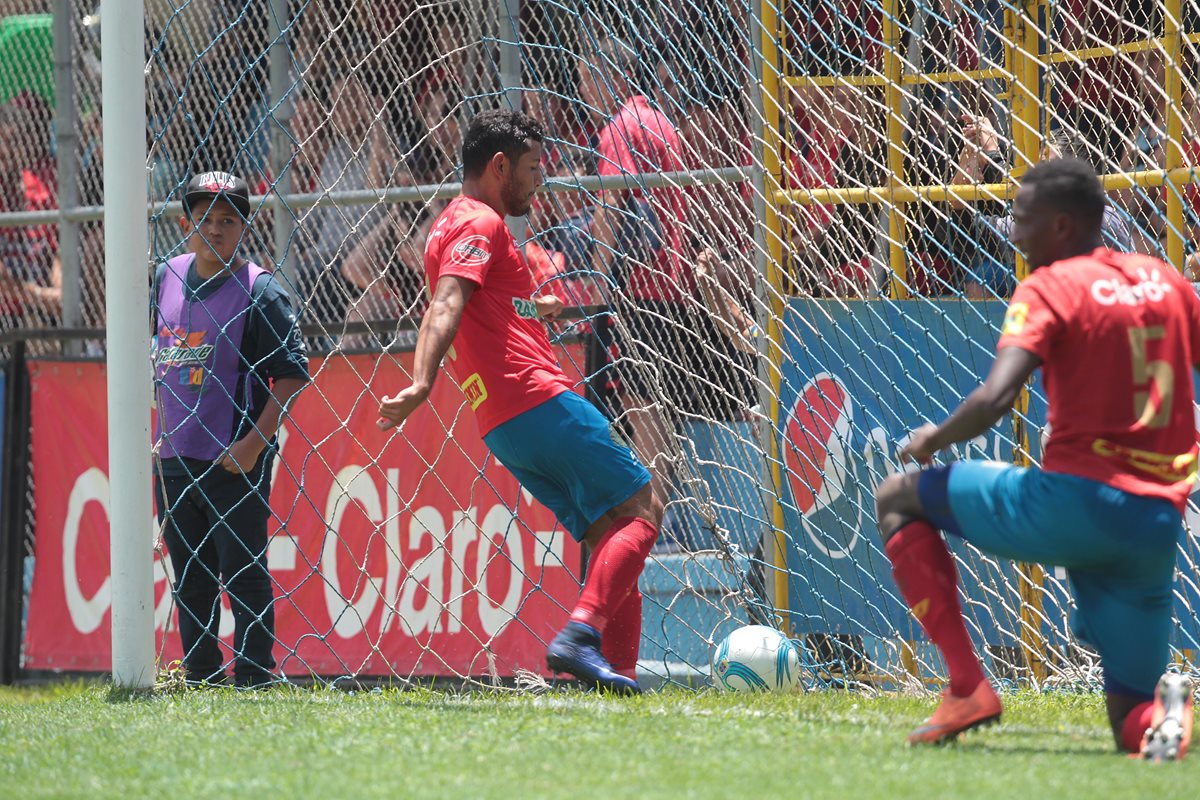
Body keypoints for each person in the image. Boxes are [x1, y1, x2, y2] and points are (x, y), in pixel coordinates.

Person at [873, 158, 1194, 759]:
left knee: (898, 495)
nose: (1013, 234)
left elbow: (997, 398)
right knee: (1131, 718)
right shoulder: (1164, 280)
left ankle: (968, 687)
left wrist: (932, 440)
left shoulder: (1049, 286)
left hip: (1074, 505)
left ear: (1064, 225)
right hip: (1153, 524)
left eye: (1022, 220)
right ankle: (1164, 715)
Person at [376, 110, 663, 694]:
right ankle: (581, 637)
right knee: (643, 505)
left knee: (608, 532)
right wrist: (422, 380)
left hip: (504, 423)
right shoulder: (479, 221)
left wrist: (535, 311)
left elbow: (485, 305)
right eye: (533, 168)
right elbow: (447, 303)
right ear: (499, 166)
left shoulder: (451, 223)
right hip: (533, 395)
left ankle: (614, 679)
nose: (540, 181)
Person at [154, 171, 309, 688]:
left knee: (242, 571)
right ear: (185, 223)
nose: (215, 230)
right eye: (204, 219)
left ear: (244, 226)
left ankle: (254, 673)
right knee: (188, 577)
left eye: (227, 220)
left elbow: (290, 374)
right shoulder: (165, 277)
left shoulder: (260, 291)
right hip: (175, 457)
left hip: (232, 457)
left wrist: (253, 444)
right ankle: (200, 672)